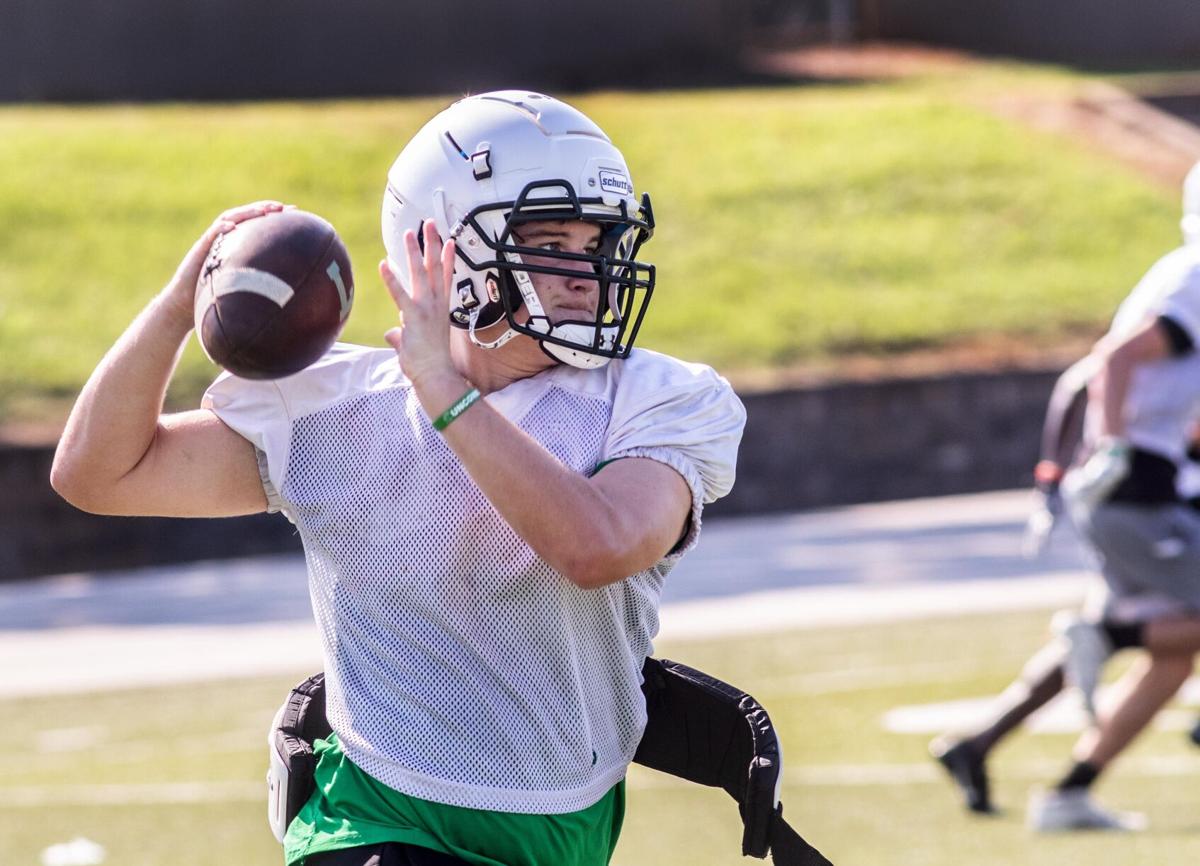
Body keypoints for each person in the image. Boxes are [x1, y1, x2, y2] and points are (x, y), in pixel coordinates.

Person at [51, 92, 747, 866]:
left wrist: (446, 397)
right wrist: (179, 305)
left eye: (599, 241)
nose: (586, 271)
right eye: (551, 241)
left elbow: (598, 546)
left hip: (560, 824)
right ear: (445, 250)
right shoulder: (337, 408)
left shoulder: (658, 398)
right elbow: (99, 474)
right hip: (373, 813)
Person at [930, 160, 1200, 831]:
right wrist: (1113, 449)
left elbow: (1093, 376)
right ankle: (1108, 635)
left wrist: (1061, 469)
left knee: (1171, 658)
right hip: (1134, 490)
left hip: (1129, 487)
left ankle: (1057, 786)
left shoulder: (1178, 272)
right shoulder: (1194, 279)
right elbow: (1113, 360)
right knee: (1133, 633)